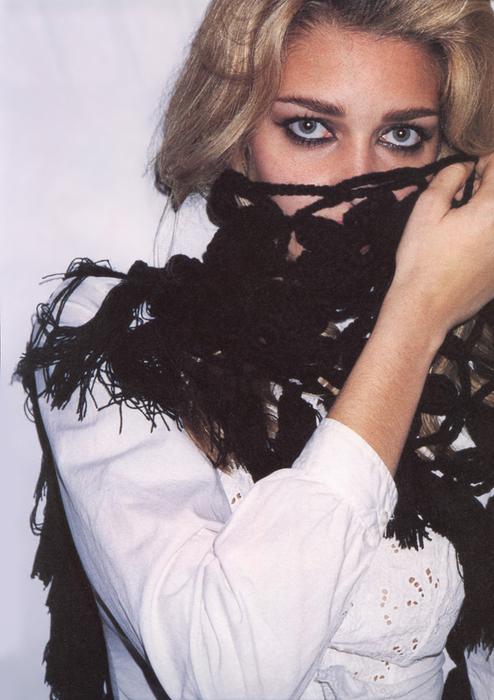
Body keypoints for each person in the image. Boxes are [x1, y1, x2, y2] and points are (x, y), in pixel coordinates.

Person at [17, 1, 494, 699]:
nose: (355, 188)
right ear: (236, 135)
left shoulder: (469, 358)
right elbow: (227, 674)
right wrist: (414, 320)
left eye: (401, 136)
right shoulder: (127, 338)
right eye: (311, 128)